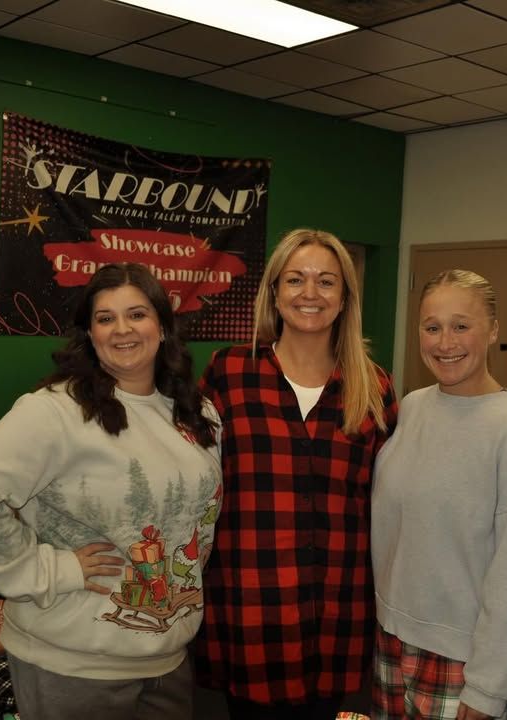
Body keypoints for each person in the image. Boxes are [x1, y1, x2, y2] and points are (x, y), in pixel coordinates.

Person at [0, 262, 222, 720]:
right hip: (70, 666)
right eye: (105, 318)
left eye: (137, 314)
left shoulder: (199, 413)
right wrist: (49, 571)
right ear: (90, 334)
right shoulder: (55, 411)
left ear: (163, 326)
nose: (122, 329)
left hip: (168, 660)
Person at [194, 228, 398, 719]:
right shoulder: (229, 372)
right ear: (274, 291)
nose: (311, 293)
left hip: (336, 618)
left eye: (326, 281)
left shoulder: (374, 388)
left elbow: (390, 503)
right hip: (249, 612)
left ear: (345, 298)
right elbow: (191, 480)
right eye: (295, 279)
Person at [371, 269, 507, 720]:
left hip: (464, 661)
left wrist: (488, 687)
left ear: (492, 330)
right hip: (391, 641)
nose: (445, 342)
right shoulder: (412, 407)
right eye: (432, 327)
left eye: (461, 326)